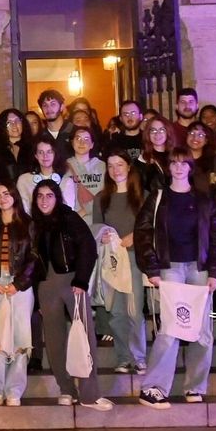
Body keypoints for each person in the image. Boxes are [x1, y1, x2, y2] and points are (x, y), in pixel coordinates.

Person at [135, 148, 216, 408]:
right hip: (169, 268)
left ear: (190, 167)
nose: (178, 167)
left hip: (199, 268)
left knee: (202, 330)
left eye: (183, 163)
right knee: (170, 329)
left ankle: (195, 386)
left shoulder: (205, 201)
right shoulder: (158, 198)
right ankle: (153, 388)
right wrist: (152, 269)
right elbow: (142, 233)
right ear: (168, 167)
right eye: (173, 163)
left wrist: (215, 272)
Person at [29, 180, 110, 409]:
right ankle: (66, 389)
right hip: (47, 287)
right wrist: (35, 297)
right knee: (54, 341)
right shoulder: (32, 224)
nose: (45, 200)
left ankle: (89, 394)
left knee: (84, 337)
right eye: (40, 196)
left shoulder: (69, 218)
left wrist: (81, 280)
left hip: (73, 282)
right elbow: (31, 263)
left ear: (57, 198)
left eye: (49, 196)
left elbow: (88, 247)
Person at [0, 182, 38, 406]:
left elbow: (34, 256)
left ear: (14, 196)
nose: (2, 198)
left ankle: (14, 390)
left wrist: (20, 283)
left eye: (6, 194)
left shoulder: (28, 223)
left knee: (21, 338)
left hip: (19, 287)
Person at [94, 154, 147, 373]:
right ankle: (123, 357)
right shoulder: (102, 197)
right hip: (113, 260)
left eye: (120, 165)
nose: (116, 170)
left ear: (129, 167)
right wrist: (104, 235)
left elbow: (151, 225)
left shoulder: (142, 196)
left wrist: (136, 236)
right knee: (116, 311)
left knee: (134, 309)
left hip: (134, 257)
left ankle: (139, 357)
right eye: (111, 165)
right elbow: (96, 226)